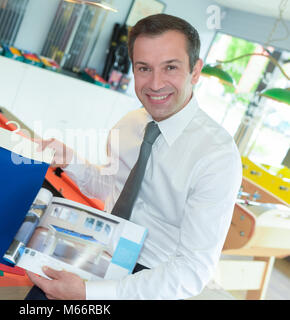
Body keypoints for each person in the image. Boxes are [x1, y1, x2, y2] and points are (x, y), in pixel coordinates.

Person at [25, 13, 242, 300]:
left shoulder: (217, 157)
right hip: (95, 252)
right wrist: (70, 159)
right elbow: (111, 187)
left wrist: (89, 294)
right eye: (144, 68)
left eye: (170, 67)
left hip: (152, 280)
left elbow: (191, 271)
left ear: (195, 71)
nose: (154, 83)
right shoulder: (130, 123)